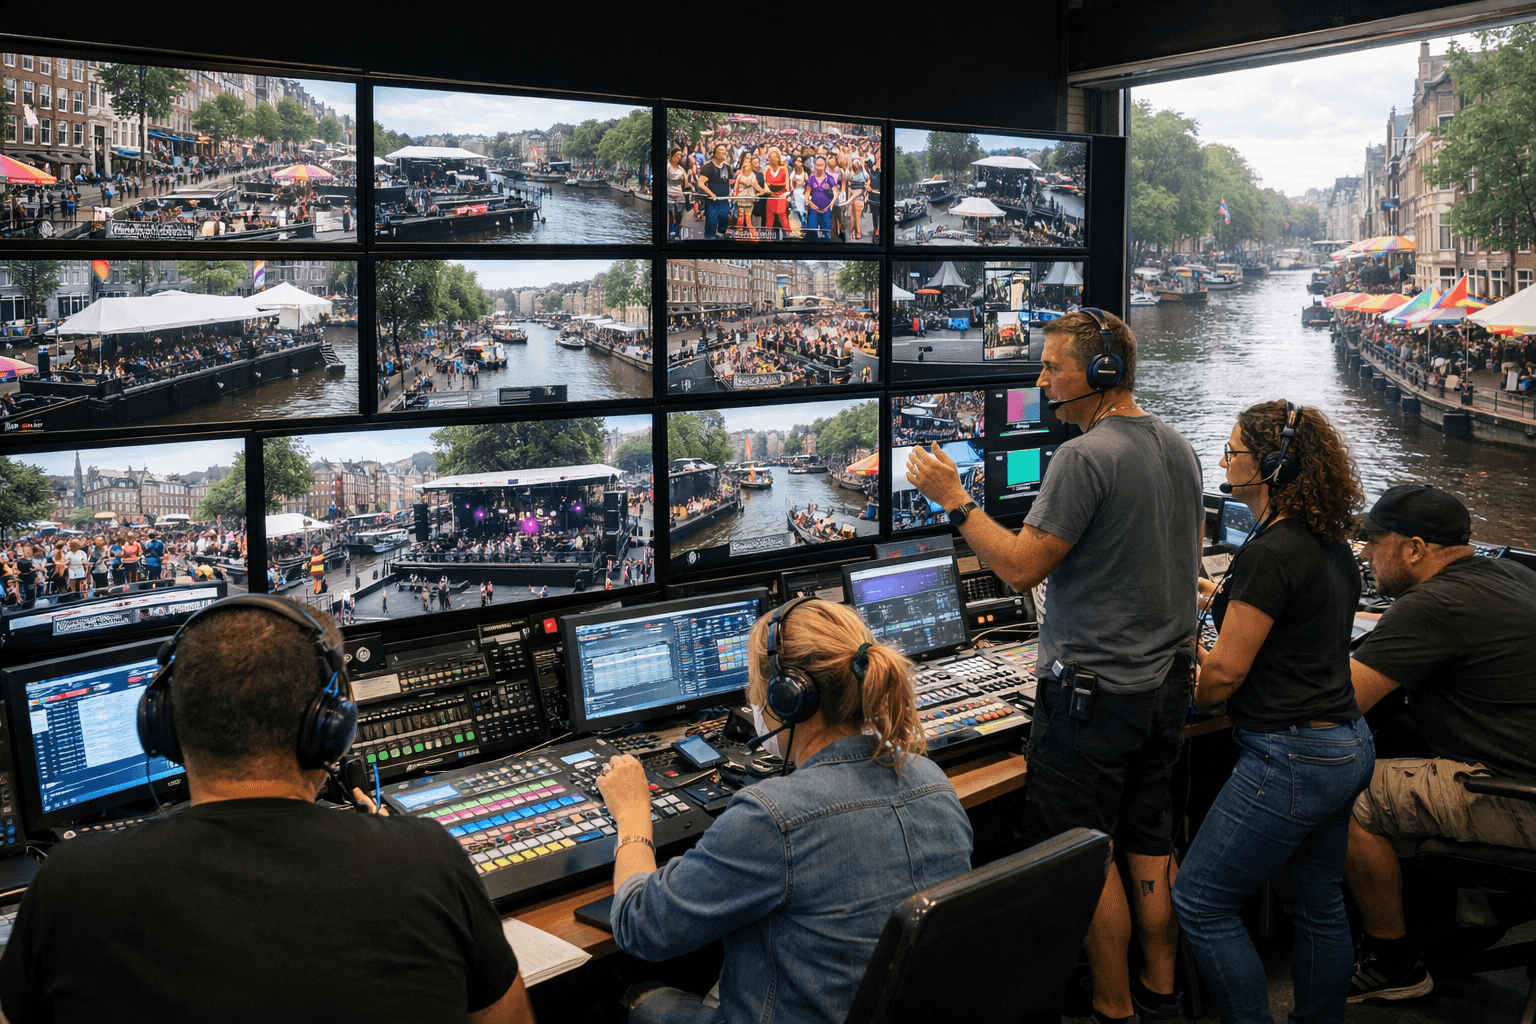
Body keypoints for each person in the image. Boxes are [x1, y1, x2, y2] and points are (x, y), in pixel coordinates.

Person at [0, 597, 535, 1024]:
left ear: (163, 729)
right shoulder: (426, 858)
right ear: (332, 731)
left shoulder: (69, 883)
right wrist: (385, 850)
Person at [905, 308, 1202, 1024]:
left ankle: (1110, 1007)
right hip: (1165, 690)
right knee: (1147, 842)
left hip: (1091, 701)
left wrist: (956, 503)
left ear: (1100, 374)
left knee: (1084, 855)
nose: (1040, 380)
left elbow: (1017, 568)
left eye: (1050, 367)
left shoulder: (1083, 457)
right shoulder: (1177, 446)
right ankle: (1161, 993)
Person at [595, 598, 974, 1024]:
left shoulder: (773, 817)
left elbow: (639, 926)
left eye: (754, 683)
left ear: (788, 696)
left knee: (638, 996)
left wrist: (631, 817)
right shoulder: (931, 778)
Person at [1172, 401, 1375, 1024]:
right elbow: (1293, 618)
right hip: (1345, 743)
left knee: (1200, 900)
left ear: (1272, 465)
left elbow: (1225, 675)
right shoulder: (1326, 540)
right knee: (1317, 904)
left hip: (1290, 757)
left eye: (1234, 452)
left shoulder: (1269, 553)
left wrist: (1188, 681)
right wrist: (1220, 595)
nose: (1226, 460)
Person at [1342, 485, 1536, 1003]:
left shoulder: (1434, 604)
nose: (1364, 553)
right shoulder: (1510, 575)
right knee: (1402, 735)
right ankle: (1475, 910)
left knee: (1339, 795)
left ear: (1414, 548)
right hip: (1524, 766)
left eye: (1374, 541)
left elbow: (1340, 702)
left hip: (1523, 798)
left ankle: (1393, 962)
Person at [697, 143, 733, 240]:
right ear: (716, 153)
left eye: (725, 151)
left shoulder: (727, 167)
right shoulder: (708, 167)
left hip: (724, 201)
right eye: (721, 151)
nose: (724, 153)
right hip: (712, 203)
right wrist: (712, 194)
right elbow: (700, 183)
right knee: (711, 226)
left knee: (724, 226)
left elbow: (729, 183)